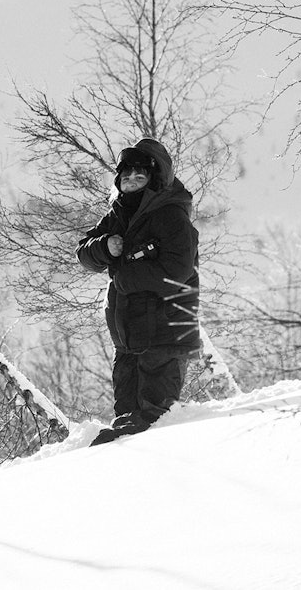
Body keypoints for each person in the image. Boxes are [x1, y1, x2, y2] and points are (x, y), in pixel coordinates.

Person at [76, 137, 201, 445]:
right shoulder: (118, 214)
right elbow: (84, 253)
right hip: (128, 339)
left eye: (140, 175)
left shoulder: (171, 214)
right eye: (125, 175)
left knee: (154, 423)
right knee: (125, 424)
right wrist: (104, 246)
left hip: (165, 336)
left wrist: (127, 277)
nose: (131, 180)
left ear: (154, 179)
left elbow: (178, 270)